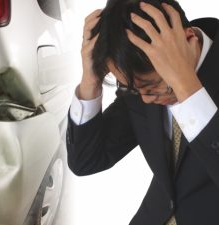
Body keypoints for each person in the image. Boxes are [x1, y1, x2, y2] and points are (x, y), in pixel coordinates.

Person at [66, 0, 219, 224]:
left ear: (189, 39)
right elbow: (86, 161)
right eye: (136, 90)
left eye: (157, 87)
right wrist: (90, 81)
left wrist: (185, 84)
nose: (146, 99)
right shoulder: (138, 81)